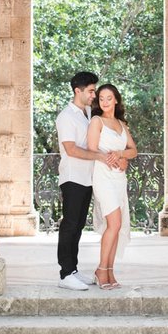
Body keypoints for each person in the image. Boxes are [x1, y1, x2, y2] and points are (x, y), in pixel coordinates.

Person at [54, 71, 124, 290]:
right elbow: (71, 149)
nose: (94, 95)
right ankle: (65, 274)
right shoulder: (66, 116)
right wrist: (101, 156)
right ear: (78, 91)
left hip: (88, 178)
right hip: (73, 177)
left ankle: (73, 270)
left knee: (78, 226)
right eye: (92, 91)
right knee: (70, 225)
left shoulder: (86, 113)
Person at [87, 83, 138, 289]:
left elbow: (133, 150)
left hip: (119, 179)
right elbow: (92, 149)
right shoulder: (96, 121)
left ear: (116, 99)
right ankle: (101, 269)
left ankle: (109, 271)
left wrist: (121, 155)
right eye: (101, 99)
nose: (105, 102)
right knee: (114, 224)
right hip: (103, 176)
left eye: (109, 98)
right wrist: (114, 159)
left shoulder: (122, 124)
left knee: (116, 227)